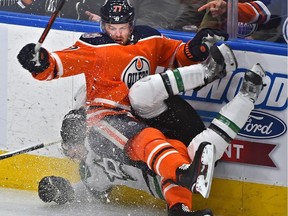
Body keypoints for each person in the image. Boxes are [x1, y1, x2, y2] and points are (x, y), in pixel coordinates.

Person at [17, 0, 242, 215]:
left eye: (122, 27)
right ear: (102, 25)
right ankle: (181, 172)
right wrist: (39, 62)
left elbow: (178, 55)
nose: (117, 33)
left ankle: (179, 208)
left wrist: (197, 48)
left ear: (131, 24)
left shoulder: (149, 37)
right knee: (149, 138)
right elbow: (56, 65)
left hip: (141, 113)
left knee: (171, 145)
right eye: (111, 27)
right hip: (107, 116)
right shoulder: (91, 44)